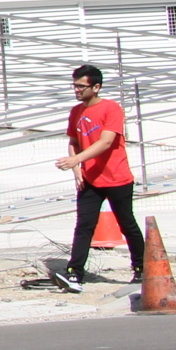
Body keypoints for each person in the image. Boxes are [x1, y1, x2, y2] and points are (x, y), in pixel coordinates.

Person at [44, 62, 142, 290]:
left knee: (127, 224)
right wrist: (77, 170)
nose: (76, 90)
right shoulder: (76, 112)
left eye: (81, 86)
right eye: (74, 86)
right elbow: (74, 143)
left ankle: (141, 268)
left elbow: (106, 141)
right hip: (90, 181)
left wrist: (76, 160)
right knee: (84, 226)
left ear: (96, 87)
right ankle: (75, 274)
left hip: (117, 178)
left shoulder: (111, 108)